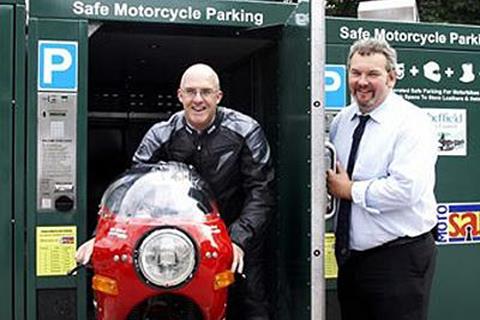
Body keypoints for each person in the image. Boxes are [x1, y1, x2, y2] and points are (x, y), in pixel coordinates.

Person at [76, 63, 275, 320]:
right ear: (180, 95)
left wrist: (237, 239)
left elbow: (262, 191)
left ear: (219, 96)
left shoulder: (246, 131)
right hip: (175, 240)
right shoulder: (161, 134)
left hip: (235, 233)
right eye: (191, 92)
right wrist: (100, 237)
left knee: (251, 300)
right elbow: (132, 191)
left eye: (206, 92)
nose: (198, 99)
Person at [326, 38, 438, 320]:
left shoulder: (412, 122)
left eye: (372, 74)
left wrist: (350, 190)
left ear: (391, 77)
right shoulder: (342, 120)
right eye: (356, 73)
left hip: (399, 259)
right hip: (351, 259)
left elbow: (406, 189)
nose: (362, 81)